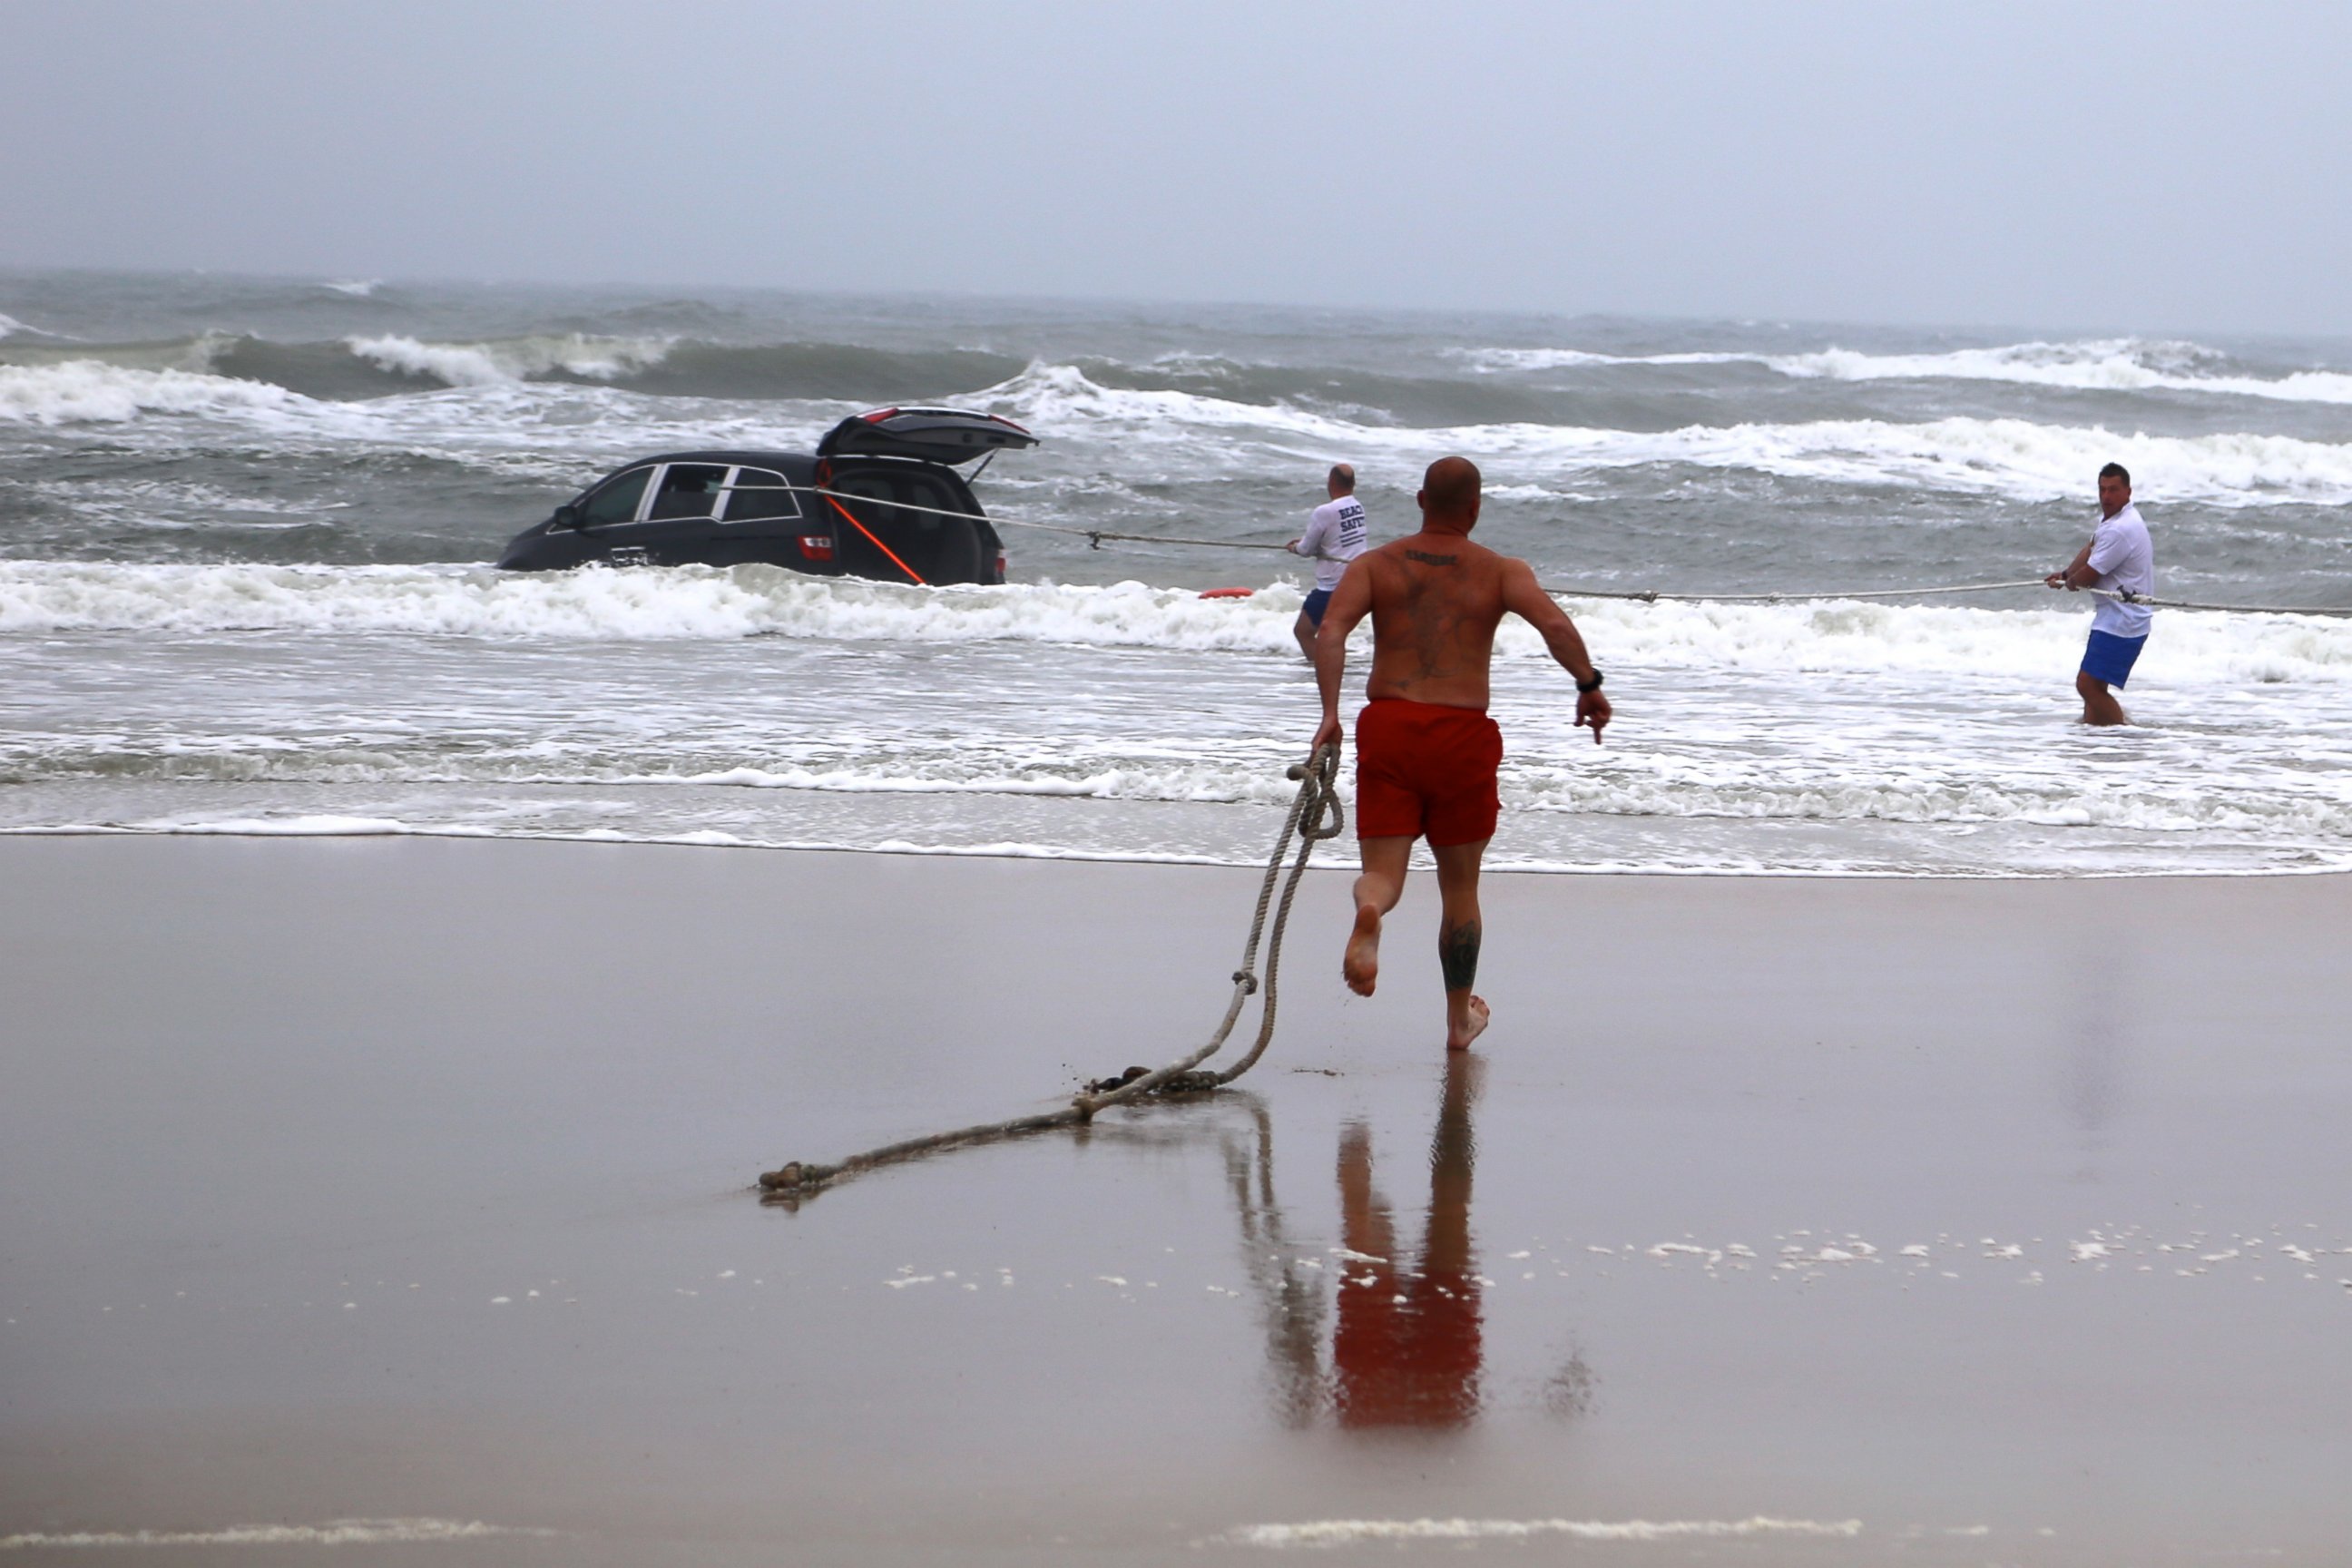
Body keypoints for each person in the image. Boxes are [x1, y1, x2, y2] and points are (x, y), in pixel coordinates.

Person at [1310, 456, 1610, 1052]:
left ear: (1421, 500)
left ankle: (1371, 910)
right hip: (1461, 737)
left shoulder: (1375, 565)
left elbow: (1331, 633)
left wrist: (1330, 714)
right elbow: (1554, 626)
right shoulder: (1501, 571)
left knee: (1381, 873)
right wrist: (1588, 685)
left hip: (1389, 726)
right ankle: (1456, 1022)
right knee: (1460, 890)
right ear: (1475, 509)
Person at [2045, 462, 2154, 726]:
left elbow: (2090, 574)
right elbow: (2092, 547)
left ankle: (2125, 735)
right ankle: (2096, 743)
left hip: (2124, 620)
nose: (2106, 496)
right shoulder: (2113, 519)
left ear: (2128, 492)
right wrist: (2065, 573)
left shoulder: (2121, 528)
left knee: (2087, 686)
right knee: (2093, 687)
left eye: (2113, 490)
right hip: (2113, 616)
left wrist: (2070, 582)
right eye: (2102, 490)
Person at [1287, 464, 1370, 660]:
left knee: (1303, 632)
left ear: (1331, 483)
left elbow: (1306, 550)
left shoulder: (1324, 511)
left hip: (1332, 587)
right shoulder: (1357, 506)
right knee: (1334, 634)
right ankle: (1337, 671)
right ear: (1353, 484)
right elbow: (1336, 538)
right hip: (1358, 582)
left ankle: (1321, 672)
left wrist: (1295, 548)